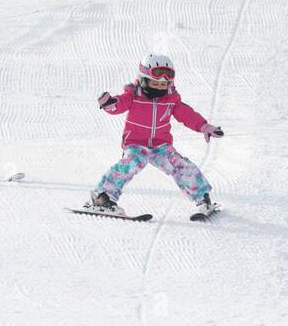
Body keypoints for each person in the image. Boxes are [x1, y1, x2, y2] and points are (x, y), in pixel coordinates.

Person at [87, 54, 222, 214]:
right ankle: (102, 197)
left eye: (163, 84)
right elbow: (119, 104)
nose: (159, 87)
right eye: (155, 83)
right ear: (143, 80)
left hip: (161, 145)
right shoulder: (133, 95)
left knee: (180, 164)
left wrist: (203, 126)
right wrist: (110, 104)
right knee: (129, 164)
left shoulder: (171, 99)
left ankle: (202, 198)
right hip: (136, 144)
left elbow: (187, 114)